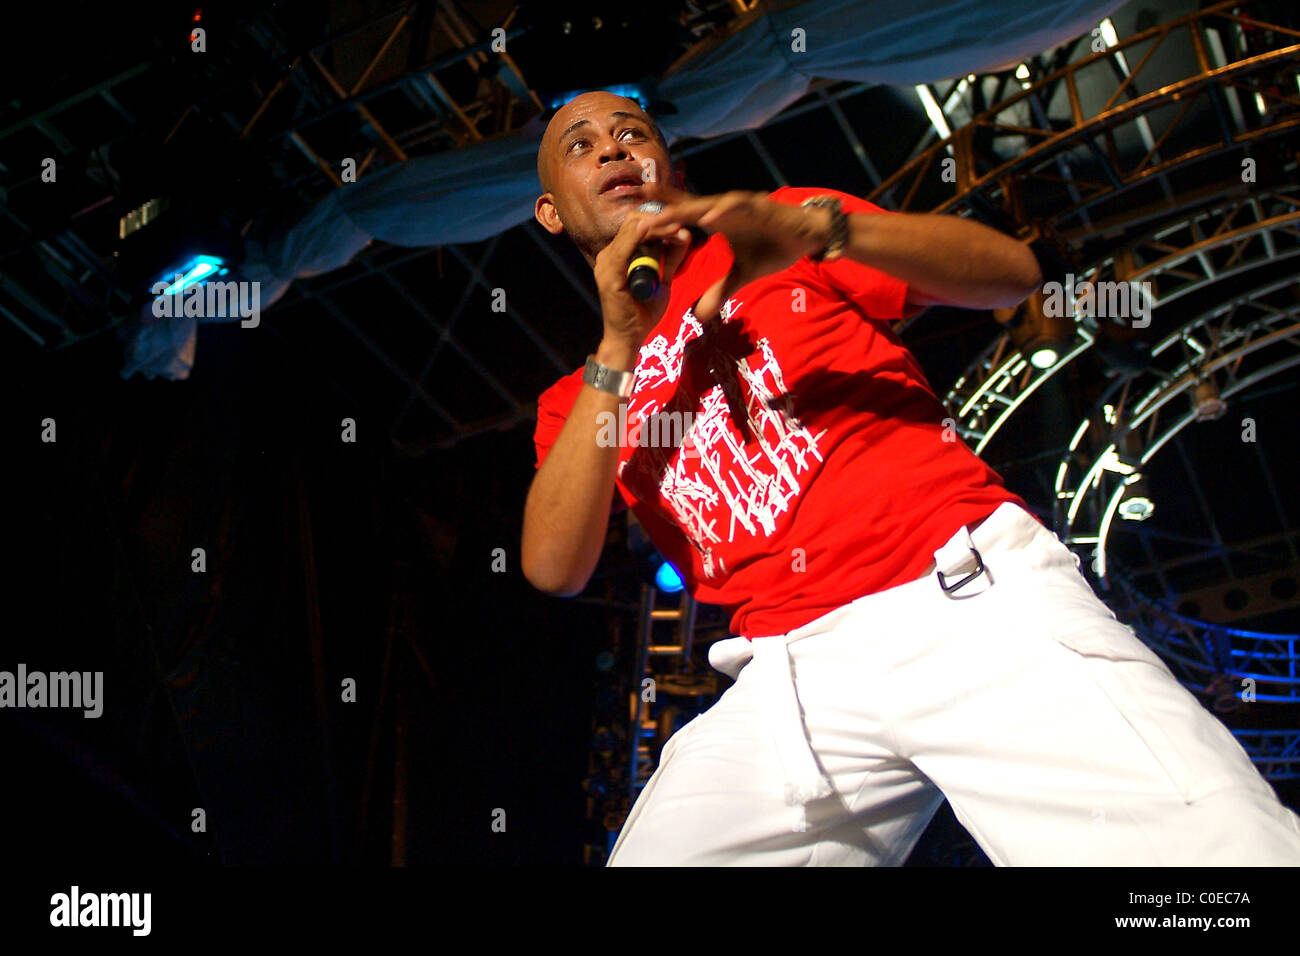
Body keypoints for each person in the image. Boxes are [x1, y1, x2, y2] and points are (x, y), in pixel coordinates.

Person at [521, 90, 1300, 865]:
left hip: (963, 600)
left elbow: (1013, 275)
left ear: (673, 165)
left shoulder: (784, 230)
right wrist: (619, 348)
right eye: (582, 146)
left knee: (1212, 861)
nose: (615, 150)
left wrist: (823, 228)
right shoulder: (578, 399)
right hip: (785, 676)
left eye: (632, 134)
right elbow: (555, 568)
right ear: (551, 211)